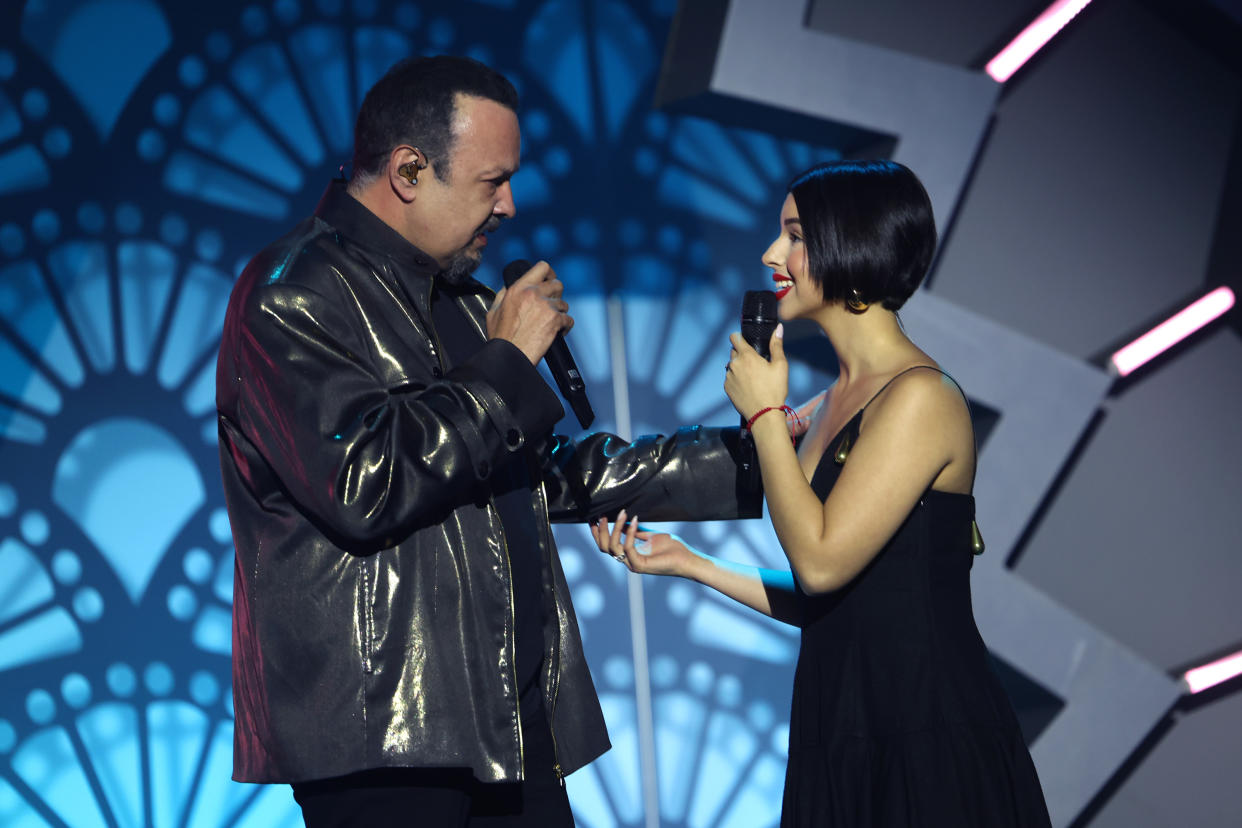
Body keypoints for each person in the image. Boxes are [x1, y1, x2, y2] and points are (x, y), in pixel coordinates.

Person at [216, 55, 759, 827]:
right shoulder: (293, 292)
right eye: (490, 181)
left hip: (512, 718)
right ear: (408, 170)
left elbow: (544, 474)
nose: (509, 205)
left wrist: (758, 460)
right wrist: (504, 364)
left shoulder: (464, 298)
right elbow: (363, 481)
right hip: (390, 737)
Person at [592, 160, 1052, 826]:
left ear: (853, 243)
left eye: (796, 235)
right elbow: (829, 598)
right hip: (837, 726)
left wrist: (764, 417)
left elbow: (821, 559)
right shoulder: (831, 402)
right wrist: (688, 562)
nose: (771, 254)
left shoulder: (921, 398)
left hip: (924, 733)